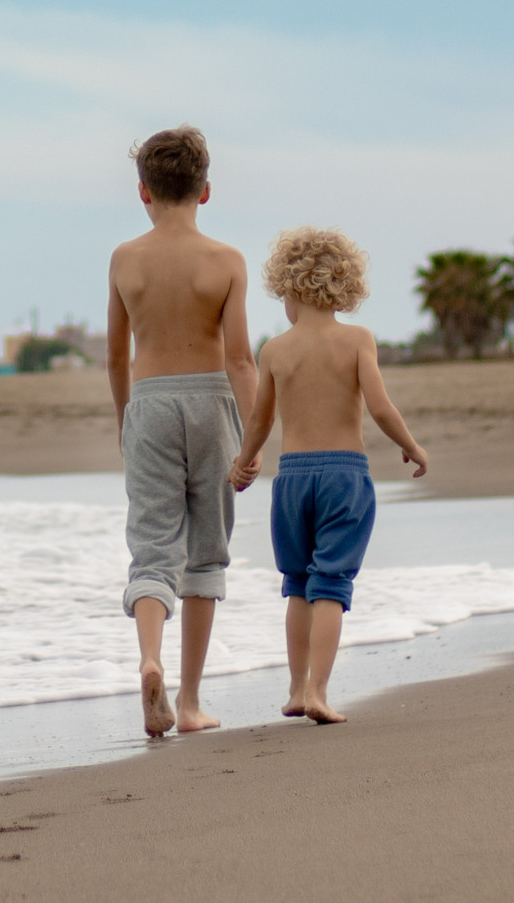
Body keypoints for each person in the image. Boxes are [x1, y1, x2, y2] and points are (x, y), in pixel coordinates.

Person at [230, 224, 429, 723]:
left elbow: (260, 419)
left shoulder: (275, 349)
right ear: (345, 285)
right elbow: (381, 409)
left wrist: (243, 461)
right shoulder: (358, 339)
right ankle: (319, 690)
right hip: (344, 475)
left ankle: (296, 690)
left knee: (297, 583)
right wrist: (411, 447)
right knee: (332, 583)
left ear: (287, 289)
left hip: (292, 479)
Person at [107, 125, 257, 737]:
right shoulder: (225, 262)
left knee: (153, 548)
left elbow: (116, 357)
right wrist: (253, 440)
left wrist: (126, 423)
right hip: (212, 402)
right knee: (206, 552)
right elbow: (242, 359)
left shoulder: (125, 259)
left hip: (150, 401)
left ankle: (149, 658)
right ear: (207, 191)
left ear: (142, 191)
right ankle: (191, 701)